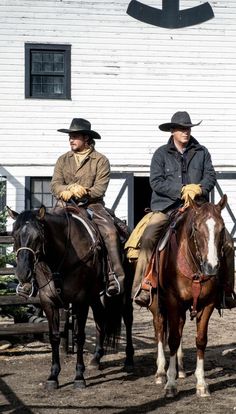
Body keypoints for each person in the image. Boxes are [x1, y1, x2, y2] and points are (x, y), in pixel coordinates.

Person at [132, 111, 236, 309]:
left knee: (228, 244)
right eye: (181, 129)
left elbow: (210, 176)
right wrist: (181, 191)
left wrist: (199, 188)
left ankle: (226, 290)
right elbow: (156, 181)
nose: (186, 132)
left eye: (188, 128)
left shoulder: (202, 152)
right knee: (147, 238)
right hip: (167, 207)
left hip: (199, 209)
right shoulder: (161, 154)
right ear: (172, 131)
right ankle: (142, 286)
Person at [51, 117, 125, 297]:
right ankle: (41, 279)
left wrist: (82, 192)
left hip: (93, 205)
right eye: (70, 136)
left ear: (86, 139)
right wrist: (67, 189)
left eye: (75, 136)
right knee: (46, 228)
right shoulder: (63, 159)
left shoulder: (101, 160)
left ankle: (114, 276)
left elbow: (100, 188)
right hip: (65, 204)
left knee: (110, 232)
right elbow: (55, 185)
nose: (71, 140)